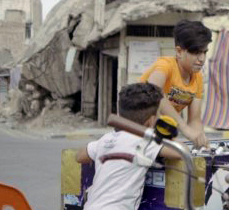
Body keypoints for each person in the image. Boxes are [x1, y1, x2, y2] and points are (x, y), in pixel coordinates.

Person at [76, 82, 183, 210]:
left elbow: (79, 156)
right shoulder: (145, 142)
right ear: (152, 120)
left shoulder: (106, 139)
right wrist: (167, 129)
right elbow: (180, 151)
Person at [139, 20, 212, 149]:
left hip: (160, 135)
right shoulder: (165, 65)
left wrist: (199, 139)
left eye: (204, 52)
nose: (202, 59)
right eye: (196, 53)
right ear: (179, 52)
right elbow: (153, 91)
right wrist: (184, 128)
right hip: (135, 131)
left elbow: (194, 120)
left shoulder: (198, 78)